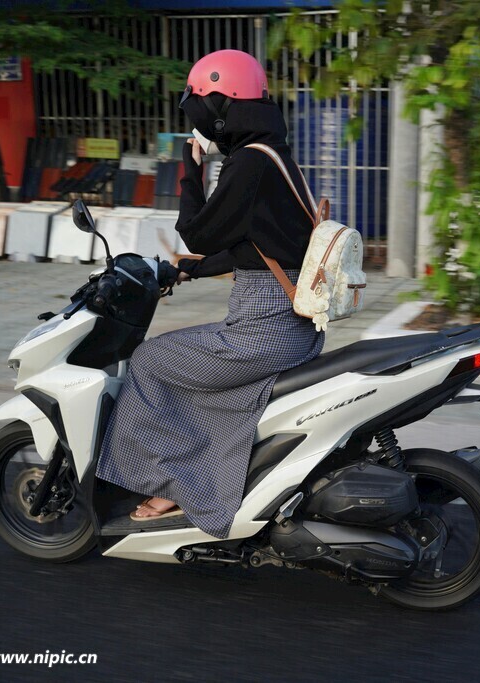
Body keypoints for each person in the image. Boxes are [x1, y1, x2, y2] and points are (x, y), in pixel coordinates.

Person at [96, 49, 323, 538]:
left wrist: (189, 170)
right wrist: (189, 272)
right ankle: (201, 482)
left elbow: (198, 233)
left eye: (198, 104)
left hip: (261, 333)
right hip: (291, 329)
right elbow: (257, 247)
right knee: (192, 373)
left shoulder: (249, 164)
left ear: (220, 106)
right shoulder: (274, 158)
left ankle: (173, 486)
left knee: (151, 361)